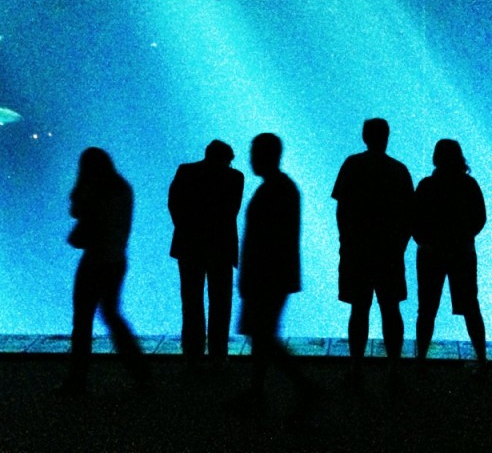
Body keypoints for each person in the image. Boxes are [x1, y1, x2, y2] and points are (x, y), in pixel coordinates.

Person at [234, 133, 314, 413]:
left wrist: (248, 275)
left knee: (262, 334)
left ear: (268, 155)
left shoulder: (274, 189)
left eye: (255, 153)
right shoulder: (282, 187)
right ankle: (258, 390)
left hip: (266, 276)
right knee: (262, 334)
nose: (251, 158)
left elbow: (263, 240)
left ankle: (304, 385)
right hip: (274, 275)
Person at [60, 147, 150, 394]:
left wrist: (83, 187)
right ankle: (141, 372)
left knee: (83, 320)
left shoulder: (98, 189)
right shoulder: (123, 187)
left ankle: (77, 380)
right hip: (117, 260)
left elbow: (78, 211)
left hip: (94, 261)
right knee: (111, 315)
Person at [331, 118, 414, 383]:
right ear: (387, 136)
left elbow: (341, 209)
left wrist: (345, 242)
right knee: (391, 309)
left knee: (359, 309)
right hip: (389, 253)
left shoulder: (352, 165)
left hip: (357, 252)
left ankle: (355, 367)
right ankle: (393, 368)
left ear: (364, 137)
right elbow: (408, 217)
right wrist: (399, 247)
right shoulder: (399, 170)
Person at [413, 139, 488, 376]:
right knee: (470, 307)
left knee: (426, 309)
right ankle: (483, 362)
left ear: (436, 158)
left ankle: (421, 362)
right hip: (462, 253)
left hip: (430, 254)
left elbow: (413, 218)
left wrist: (425, 241)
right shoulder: (469, 185)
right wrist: (462, 238)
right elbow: (480, 218)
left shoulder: (426, 186)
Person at [168, 139, 244, 367]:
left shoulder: (186, 171)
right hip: (220, 247)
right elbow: (230, 211)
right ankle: (218, 354)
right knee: (220, 302)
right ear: (227, 159)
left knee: (191, 301)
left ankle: (193, 353)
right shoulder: (234, 177)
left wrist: (186, 228)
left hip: (189, 246)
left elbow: (173, 204)